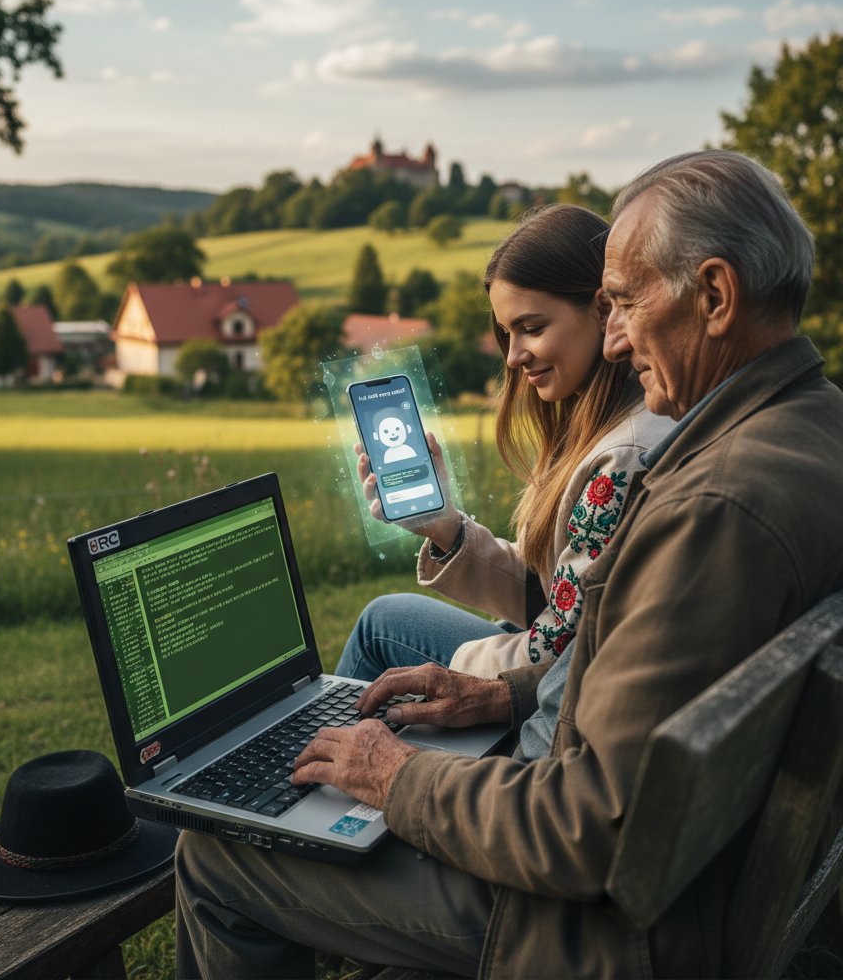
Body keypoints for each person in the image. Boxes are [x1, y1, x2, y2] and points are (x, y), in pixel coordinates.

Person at [175, 150, 843, 979]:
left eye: (626, 303)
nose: (618, 336)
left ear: (714, 296)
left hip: (607, 931)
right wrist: (508, 689)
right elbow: (615, 669)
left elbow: (591, 828)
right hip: (697, 875)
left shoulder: (711, 511)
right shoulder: (812, 426)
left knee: (213, 859)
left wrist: (397, 776)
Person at [336, 206, 672, 740]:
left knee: (381, 626)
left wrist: (457, 670)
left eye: (531, 328)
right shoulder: (604, 420)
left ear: (603, 309)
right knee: (386, 613)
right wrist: (445, 528)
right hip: (551, 663)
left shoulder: (621, 458)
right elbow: (555, 595)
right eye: (505, 333)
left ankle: (289, 806)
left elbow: (556, 652)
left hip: (545, 698)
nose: (513, 356)